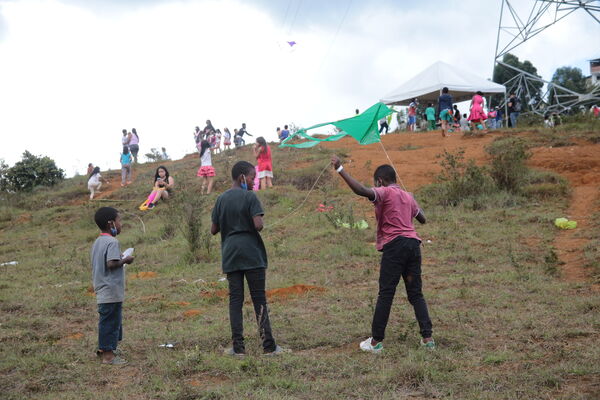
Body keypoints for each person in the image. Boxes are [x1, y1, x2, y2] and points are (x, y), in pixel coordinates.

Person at [330, 155, 434, 353]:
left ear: (379, 181)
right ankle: (427, 338)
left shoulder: (384, 192)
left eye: (375, 183)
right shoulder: (408, 196)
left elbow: (361, 190)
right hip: (413, 245)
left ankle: (376, 342)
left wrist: (340, 169)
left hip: (395, 247)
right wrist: (410, 199)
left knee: (386, 293)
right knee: (416, 293)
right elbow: (423, 219)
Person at [210, 161, 288, 356]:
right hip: (251, 254)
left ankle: (238, 348)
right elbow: (258, 225)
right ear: (242, 177)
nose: (254, 181)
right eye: (253, 177)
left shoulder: (221, 199)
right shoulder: (249, 196)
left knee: (235, 301)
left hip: (230, 255)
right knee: (259, 300)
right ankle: (269, 346)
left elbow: (213, 229)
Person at [91, 207, 134, 365]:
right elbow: (111, 263)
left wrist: (119, 258)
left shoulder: (98, 241)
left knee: (111, 320)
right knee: (110, 321)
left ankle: (108, 348)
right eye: (119, 220)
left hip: (102, 287)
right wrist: (126, 260)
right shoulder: (112, 241)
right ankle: (108, 356)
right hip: (110, 289)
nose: (120, 224)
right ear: (111, 224)